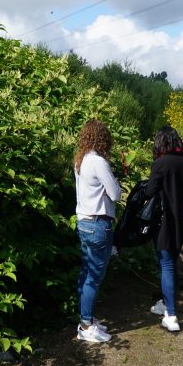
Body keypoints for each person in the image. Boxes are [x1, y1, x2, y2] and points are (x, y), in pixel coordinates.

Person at [145, 126, 183, 332]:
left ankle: (172, 314)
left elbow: (150, 191)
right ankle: (168, 305)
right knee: (172, 264)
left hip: (164, 222)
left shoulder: (159, 163)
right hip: (182, 222)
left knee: (166, 266)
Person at [74, 119, 121, 343]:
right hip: (98, 223)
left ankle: (87, 319)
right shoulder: (99, 162)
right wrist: (117, 184)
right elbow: (115, 194)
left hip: (84, 220)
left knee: (86, 274)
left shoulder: (81, 160)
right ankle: (86, 325)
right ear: (102, 138)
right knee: (93, 277)